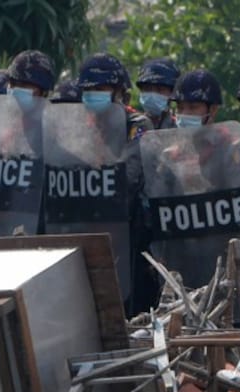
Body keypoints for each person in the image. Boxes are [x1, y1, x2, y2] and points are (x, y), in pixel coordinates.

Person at [78, 52, 155, 315]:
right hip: (88, 226)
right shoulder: (79, 128)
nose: (92, 95)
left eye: (100, 89)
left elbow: (130, 176)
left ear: (119, 92)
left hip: (130, 231)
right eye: (88, 90)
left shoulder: (137, 125)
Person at [136, 57, 180, 129]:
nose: (152, 95)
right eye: (147, 89)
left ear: (172, 93)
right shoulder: (131, 126)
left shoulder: (179, 128)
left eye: (160, 89)